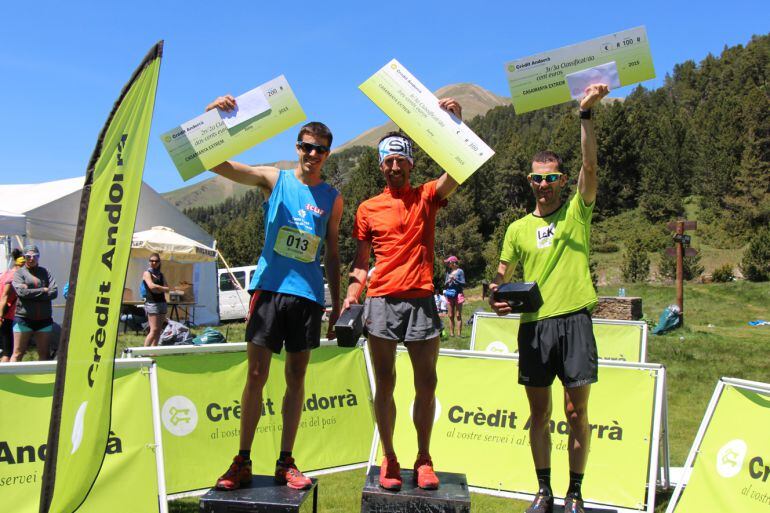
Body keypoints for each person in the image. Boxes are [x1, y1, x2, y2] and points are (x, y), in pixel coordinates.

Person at [207, 94, 343, 492]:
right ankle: (242, 460)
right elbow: (218, 163)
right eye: (305, 146)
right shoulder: (274, 178)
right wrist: (214, 117)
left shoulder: (333, 199)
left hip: (307, 297)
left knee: (296, 379)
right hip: (268, 291)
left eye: (319, 149)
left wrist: (335, 306)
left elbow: (333, 255)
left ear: (327, 154)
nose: (312, 154)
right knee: (255, 375)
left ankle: (286, 462)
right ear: (297, 148)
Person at [488, 84, 609, 513]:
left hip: (575, 321)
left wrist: (586, 116)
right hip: (535, 328)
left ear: (560, 180)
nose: (544, 184)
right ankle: (544, 491)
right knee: (538, 415)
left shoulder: (577, 211)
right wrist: (493, 296)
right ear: (529, 180)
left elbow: (591, 167)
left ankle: (575, 493)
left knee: (576, 413)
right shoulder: (517, 229)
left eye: (551, 177)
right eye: (537, 177)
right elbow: (499, 278)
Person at [343, 98, 463, 491]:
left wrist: (455, 125)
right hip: (379, 302)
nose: (394, 167)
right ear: (381, 166)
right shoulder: (367, 208)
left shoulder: (427, 196)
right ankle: (390, 457)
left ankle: (424, 458)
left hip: (422, 302)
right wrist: (351, 295)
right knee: (386, 383)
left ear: (410, 164)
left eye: (401, 160)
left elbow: (458, 171)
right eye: (388, 161)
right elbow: (362, 262)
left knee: (426, 384)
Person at [11, 245, 57, 361]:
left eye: (35, 256)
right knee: (17, 353)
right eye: (28, 256)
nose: (31, 259)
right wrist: (43, 290)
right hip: (23, 319)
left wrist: (30, 293)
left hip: (44, 320)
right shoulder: (19, 273)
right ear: (24, 257)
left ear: (38, 257)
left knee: (44, 354)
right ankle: (7, 378)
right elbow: (21, 292)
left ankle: (44, 379)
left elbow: (54, 292)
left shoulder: (45, 272)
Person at [0, 249, 24, 362]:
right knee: (9, 352)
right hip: (9, 317)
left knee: (7, 350)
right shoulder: (15, 276)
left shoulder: (4, 274)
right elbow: (4, 296)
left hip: (5, 316)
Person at [142, 253, 169, 347]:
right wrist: (160, 288)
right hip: (152, 304)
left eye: (156, 261)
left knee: (159, 330)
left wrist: (158, 287)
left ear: (159, 262)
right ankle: (144, 352)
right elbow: (151, 286)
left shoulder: (161, 275)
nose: (154, 262)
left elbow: (167, 289)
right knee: (153, 330)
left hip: (162, 303)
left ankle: (154, 352)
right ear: (149, 262)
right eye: (152, 261)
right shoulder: (147, 273)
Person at [443, 255, 465, 337]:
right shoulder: (448, 272)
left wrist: (455, 279)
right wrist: (448, 281)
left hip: (458, 295)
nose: (448, 264)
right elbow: (445, 284)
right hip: (449, 294)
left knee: (458, 315)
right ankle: (452, 334)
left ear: (453, 262)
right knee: (450, 315)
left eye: (449, 262)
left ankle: (459, 334)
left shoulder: (460, 271)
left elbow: (463, 283)